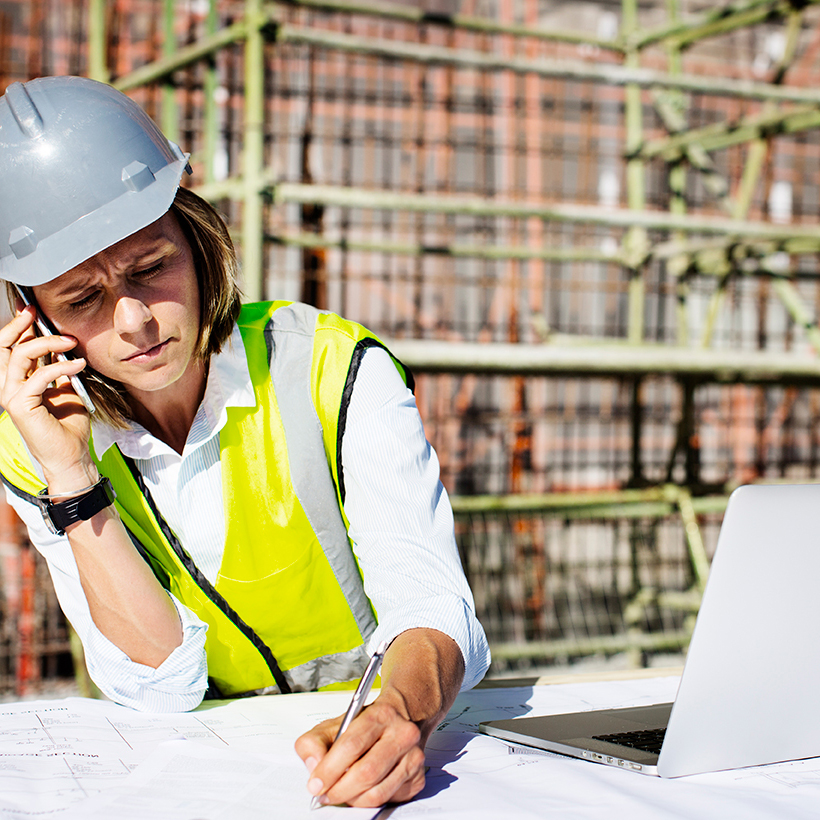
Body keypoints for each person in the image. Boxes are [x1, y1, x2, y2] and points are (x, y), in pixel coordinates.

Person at [0, 76, 490, 808]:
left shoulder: (332, 368)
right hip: (210, 784)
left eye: (151, 268)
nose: (135, 320)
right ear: (33, 321)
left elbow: (432, 602)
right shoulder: (31, 448)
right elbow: (161, 686)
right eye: (83, 300)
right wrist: (72, 477)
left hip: (383, 739)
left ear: (198, 244)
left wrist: (401, 713)